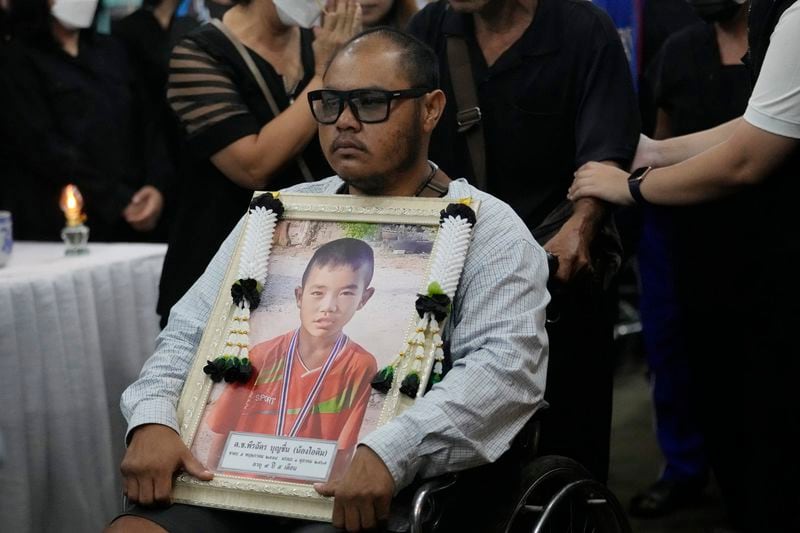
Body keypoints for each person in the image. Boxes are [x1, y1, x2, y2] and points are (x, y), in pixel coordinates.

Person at [108, 27, 549, 533]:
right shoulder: (281, 214)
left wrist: (391, 449)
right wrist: (153, 416)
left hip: (386, 489)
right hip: (234, 475)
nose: (344, 121)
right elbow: (189, 332)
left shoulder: (489, 229)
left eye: (371, 103)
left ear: (430, 109)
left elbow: (505, 370)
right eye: (331, 103)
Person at [570, 1, 800, 530]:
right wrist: (656, 152)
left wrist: (631, 187)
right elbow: (759, 122)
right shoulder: (688, 50)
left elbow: (747, 156)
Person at [407, 0, 639, 483]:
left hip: (556, 266)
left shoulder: (582, 29)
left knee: (568, 437)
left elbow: (605, 153)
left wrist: (582, 225)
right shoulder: (431, 27)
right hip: (452, 268)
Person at [156, 0, 362, 328]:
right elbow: (252, 166)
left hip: (308, 267)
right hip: (221, 265)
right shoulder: (198, 53)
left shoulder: (321, 43)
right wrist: (325, 74)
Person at [628, 0, 751, 519]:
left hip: (759, 229)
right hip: (679, 230)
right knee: (674, 353)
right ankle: (684, 469)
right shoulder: (680, 51)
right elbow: (658, 140)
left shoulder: (777, 51)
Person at [201, 238, 378, 479]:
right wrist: (212, 484)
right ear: (299, 296)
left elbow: (344, 450)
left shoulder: (360, 365)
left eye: (346, 293)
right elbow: (223, 432)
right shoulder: (262, 356)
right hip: (240, 483)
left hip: (303, 495)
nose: (329, 306)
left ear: (364, 299)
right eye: (317, 292)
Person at [0, 0, 171, 241]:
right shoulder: (16, 60)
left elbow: (149, 122)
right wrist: (116, 198)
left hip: (140, 209)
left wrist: (156, 185)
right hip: (65, 221)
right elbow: (40, 144)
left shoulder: (114, 50)